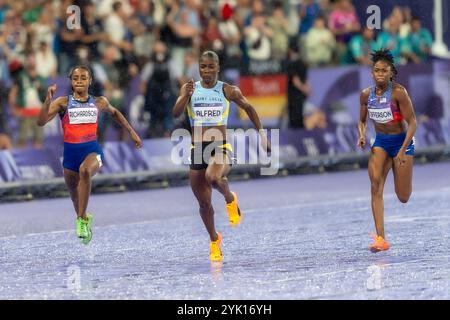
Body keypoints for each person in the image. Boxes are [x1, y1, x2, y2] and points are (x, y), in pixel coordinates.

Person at [172, 51, 270, 261]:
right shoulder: (190, 88)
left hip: (220, 146)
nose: (206, 70)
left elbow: (250, 108)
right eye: (203, 67)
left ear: (218, 68)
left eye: (210, 66)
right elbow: (175, 113)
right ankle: (215, 240)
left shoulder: (228, 90)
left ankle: (229, 198)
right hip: (197, 150)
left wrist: (262, 135)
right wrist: (185, 95)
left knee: (214, 177)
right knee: (204, 204)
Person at [37, 66, 142, 244]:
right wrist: (47, 101)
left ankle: (80, 221)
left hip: (93, 152)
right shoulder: (63, 102)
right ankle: (85, 218)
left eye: (83, 78)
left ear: (90, 81)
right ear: (71, 81)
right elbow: (41, 122)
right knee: (74, 196)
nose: (79, 81)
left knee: (85, 171)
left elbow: (115, 113)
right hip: (70, 156)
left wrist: (132, 132)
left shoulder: (99, 101)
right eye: (75, 78)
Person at [357, 49, 416, 252]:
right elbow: (361, 120)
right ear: (372, 73)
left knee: (403, 196)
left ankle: (398, 170)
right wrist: (362, 135)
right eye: (376, 70)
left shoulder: (399, 93)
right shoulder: (366, 95)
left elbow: (413, 123)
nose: (380, 74)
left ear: (391, 72)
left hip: (402, 142)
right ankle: (380, 239)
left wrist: (401, 151)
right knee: (375, 185)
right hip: (381, 142)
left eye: (384, 70)